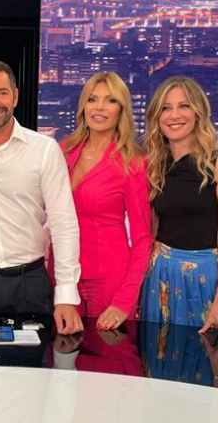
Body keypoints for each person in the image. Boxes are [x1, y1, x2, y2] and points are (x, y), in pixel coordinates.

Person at [0, 58, 82, 335]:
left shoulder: (44, 150)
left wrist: (66, 296)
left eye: (1, 92)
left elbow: (63, 224)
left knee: (32, 363)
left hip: (30, 284)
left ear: (15, 96)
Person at [56, 71, 153, 331]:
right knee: (61, 351)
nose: (99, 107)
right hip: (63, 277)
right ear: (83, 106)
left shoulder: (133, 163)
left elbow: (143, 239)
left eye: (110, 100)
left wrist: (123, 301)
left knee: (107, 354)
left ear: (121, 110)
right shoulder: (63, 151)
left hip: (109, 281)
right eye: (92, 99)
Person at [140, 76, 218, 332]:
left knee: (206, 352)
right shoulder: (154, 165)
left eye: (184, 106)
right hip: (160, 276)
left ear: (198, 112)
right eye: (166, 108)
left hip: (208, 277)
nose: (174, 115)